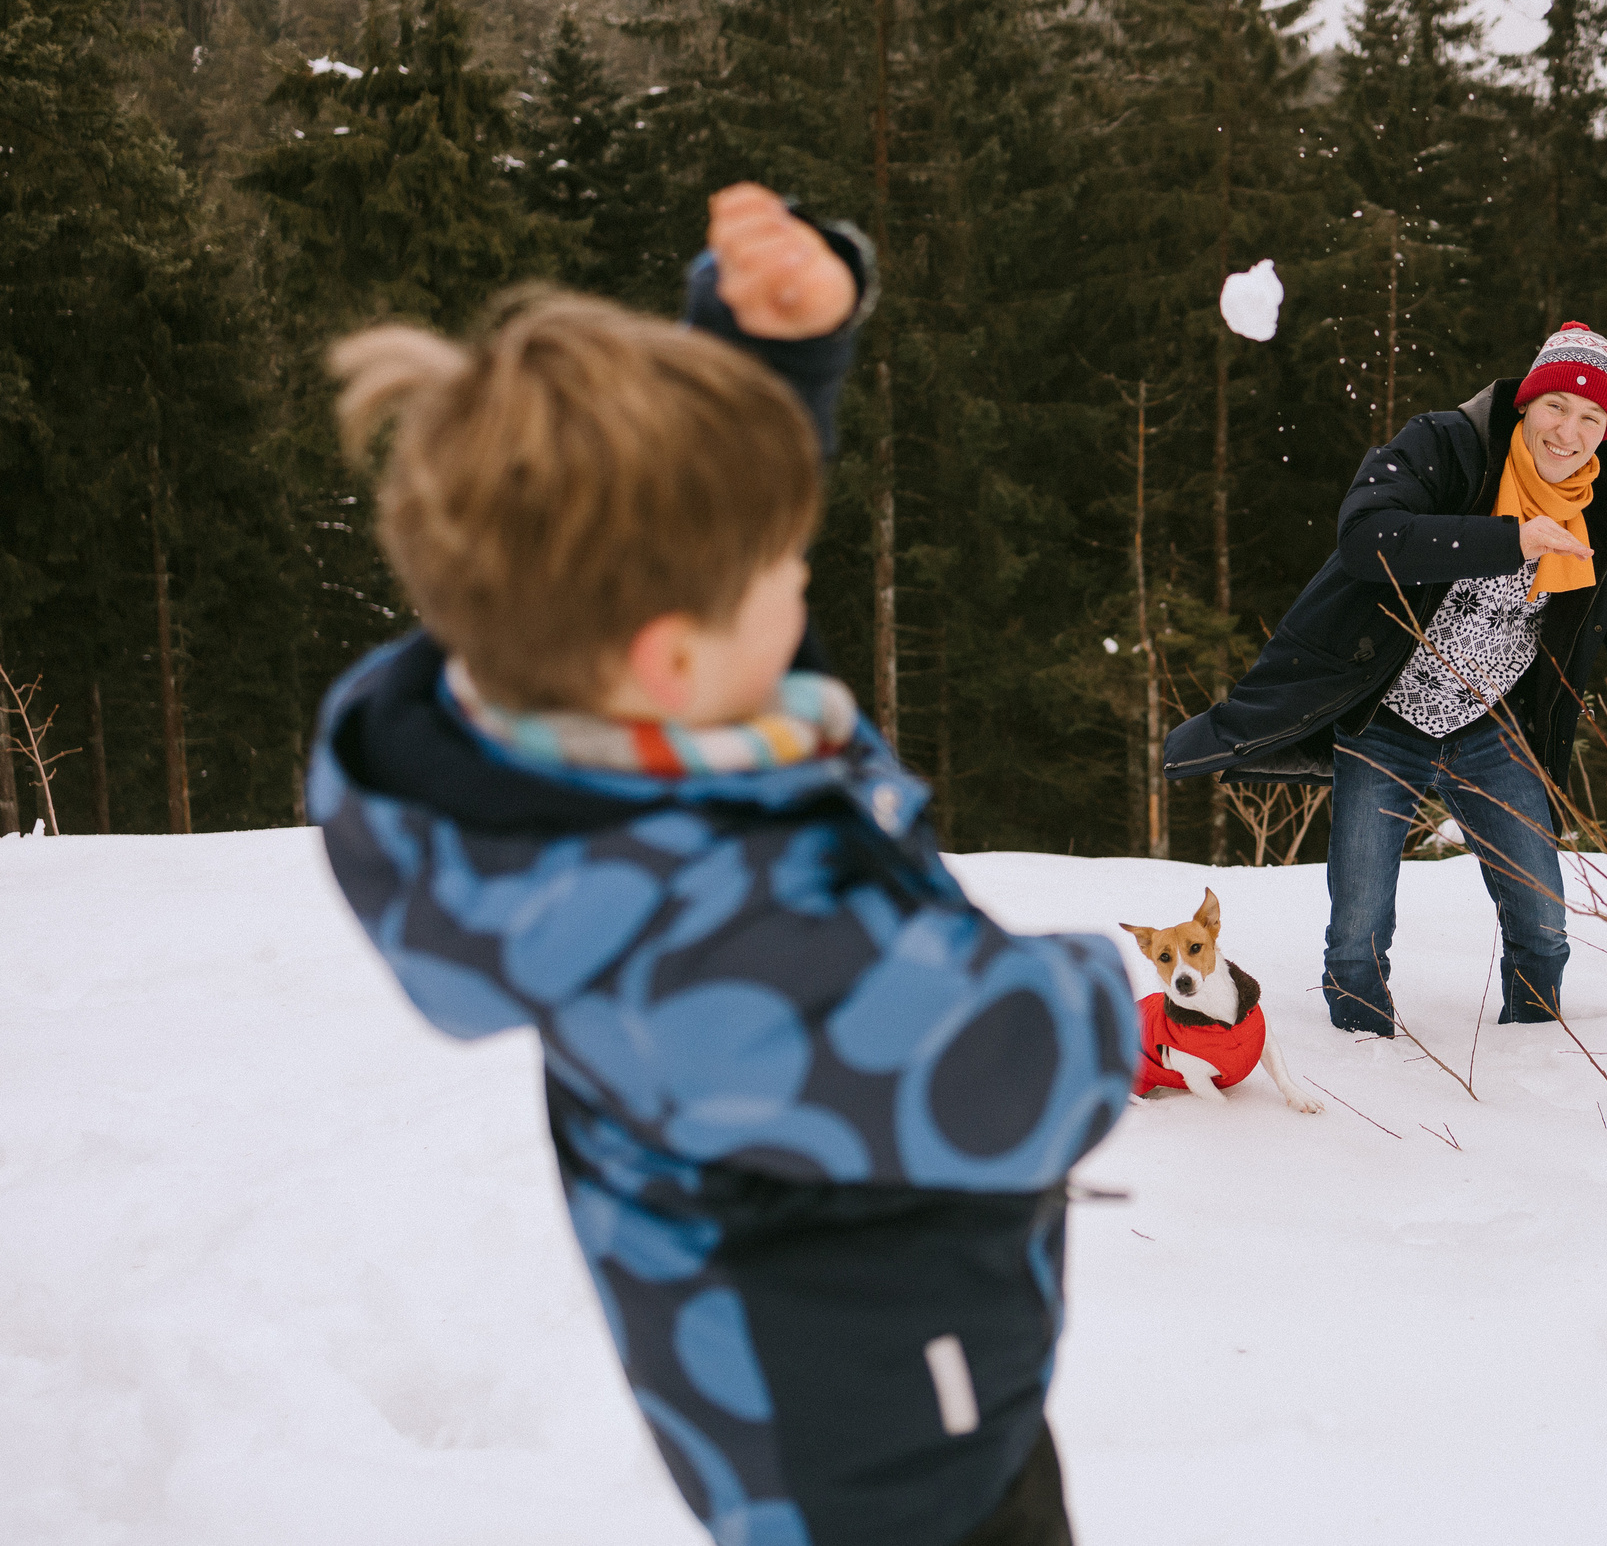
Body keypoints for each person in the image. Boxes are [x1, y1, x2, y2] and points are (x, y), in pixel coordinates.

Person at [304, 184, 1136, 1546]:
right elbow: (1009, 1067)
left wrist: (778, 357)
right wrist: (1102, 989)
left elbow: (684, 553)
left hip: (864, 1356)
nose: (801, 586)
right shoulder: (701, 950)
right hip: (881, 1464)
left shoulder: (584, 758)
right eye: (785, 566)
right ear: (670, 659)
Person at [1163, 322, 1607, 1036]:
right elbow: (1367, 534)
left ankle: (1534, 1047)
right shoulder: (1446, 445)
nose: (1570, 431)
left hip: (1493, 728)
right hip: (1385, 721)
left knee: (1543, 921)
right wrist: (1510, 539)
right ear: (1526, 402)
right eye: (1557, 405)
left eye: (1593, 416)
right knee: (1358, 930)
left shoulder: (1598, 505)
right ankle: (1364, 1053)